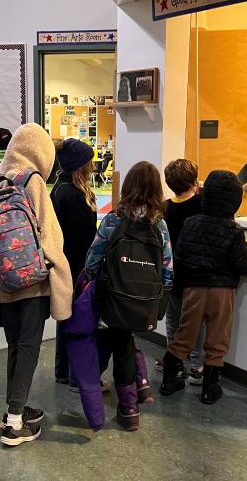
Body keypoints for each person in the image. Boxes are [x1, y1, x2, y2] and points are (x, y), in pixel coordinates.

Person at [0, 123, 73, 447]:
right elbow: (50, 233)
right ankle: (15, 423)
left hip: (4, 280)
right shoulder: (32, 180)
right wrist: (57, 271)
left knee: (16, 345)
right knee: (30, 347)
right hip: (32, 281)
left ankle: (13, 409)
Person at [85, 161, 173, 431]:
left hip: (114, 299)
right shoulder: (160, 226)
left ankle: (128, 407)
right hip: (145, 303)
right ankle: (141, 386)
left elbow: (93, 259)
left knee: (117, 343)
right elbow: (168, 269)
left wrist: (89, 280)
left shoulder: (114, 220)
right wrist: (160, 304)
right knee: (124, 339)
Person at [159, 171, 247, 404]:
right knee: (217, 339)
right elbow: (242, 264)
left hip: (193, 289)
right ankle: (209, 389)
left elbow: (180, 256)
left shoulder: (191, 222)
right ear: (235, 200)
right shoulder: (234, 229)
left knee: (183, 336)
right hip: (222, 292)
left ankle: (168, 382)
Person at [50, 138, 97, 386]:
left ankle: (62, 371)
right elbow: (86, 237)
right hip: (77, 266)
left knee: (66, 318)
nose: (93, 166)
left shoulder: (59, 188)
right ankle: (77, 376)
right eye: (90, 162)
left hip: (65, 263)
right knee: (79, 321)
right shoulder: (74, 195)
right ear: (82, 166)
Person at [155, 159, 204, 384]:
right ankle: (196, 366)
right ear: (194, 181)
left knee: (173, 319)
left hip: (170, 273)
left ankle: (173, 360)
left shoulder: (164, 208)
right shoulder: (202, 205)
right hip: (195, 274)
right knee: (194, 322)